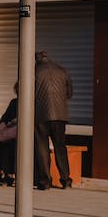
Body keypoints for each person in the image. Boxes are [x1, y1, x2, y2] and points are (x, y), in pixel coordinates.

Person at [34, 51, 73, 190]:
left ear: (36, 60)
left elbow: (25, 93)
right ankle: (66, 179)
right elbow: (69, 93)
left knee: (42, 148)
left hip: (41, 116)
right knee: (60, 147)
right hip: (60, 116)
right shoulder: (62, 70)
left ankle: (45, 181)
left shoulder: (33, 71)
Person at [0, 83, 18, 186]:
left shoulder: (32, 103)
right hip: (11, 134)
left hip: (23, 137)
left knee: (13, 146)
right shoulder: (14, 102)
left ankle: (11, 174)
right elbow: (4, 118)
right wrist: (3, 125)